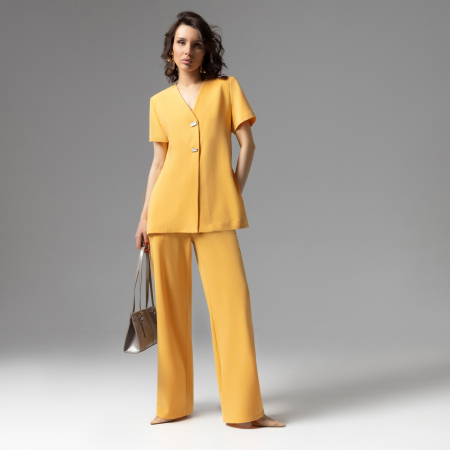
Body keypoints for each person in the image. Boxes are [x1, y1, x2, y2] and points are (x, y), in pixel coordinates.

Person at [135, 11, 285, 428]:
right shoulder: (159, 103)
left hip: (216, 216)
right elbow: (158, 163)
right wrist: (144, 217)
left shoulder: (226, 89)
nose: (188, 51)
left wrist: (231, 191)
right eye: (181, 43)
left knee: (233, 306)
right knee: (171, 312)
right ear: (171, 50)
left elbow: (248, 145)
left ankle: (246, 410)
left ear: (206, 51)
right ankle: (172, 405)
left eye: (196, 44)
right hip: (166, 214)